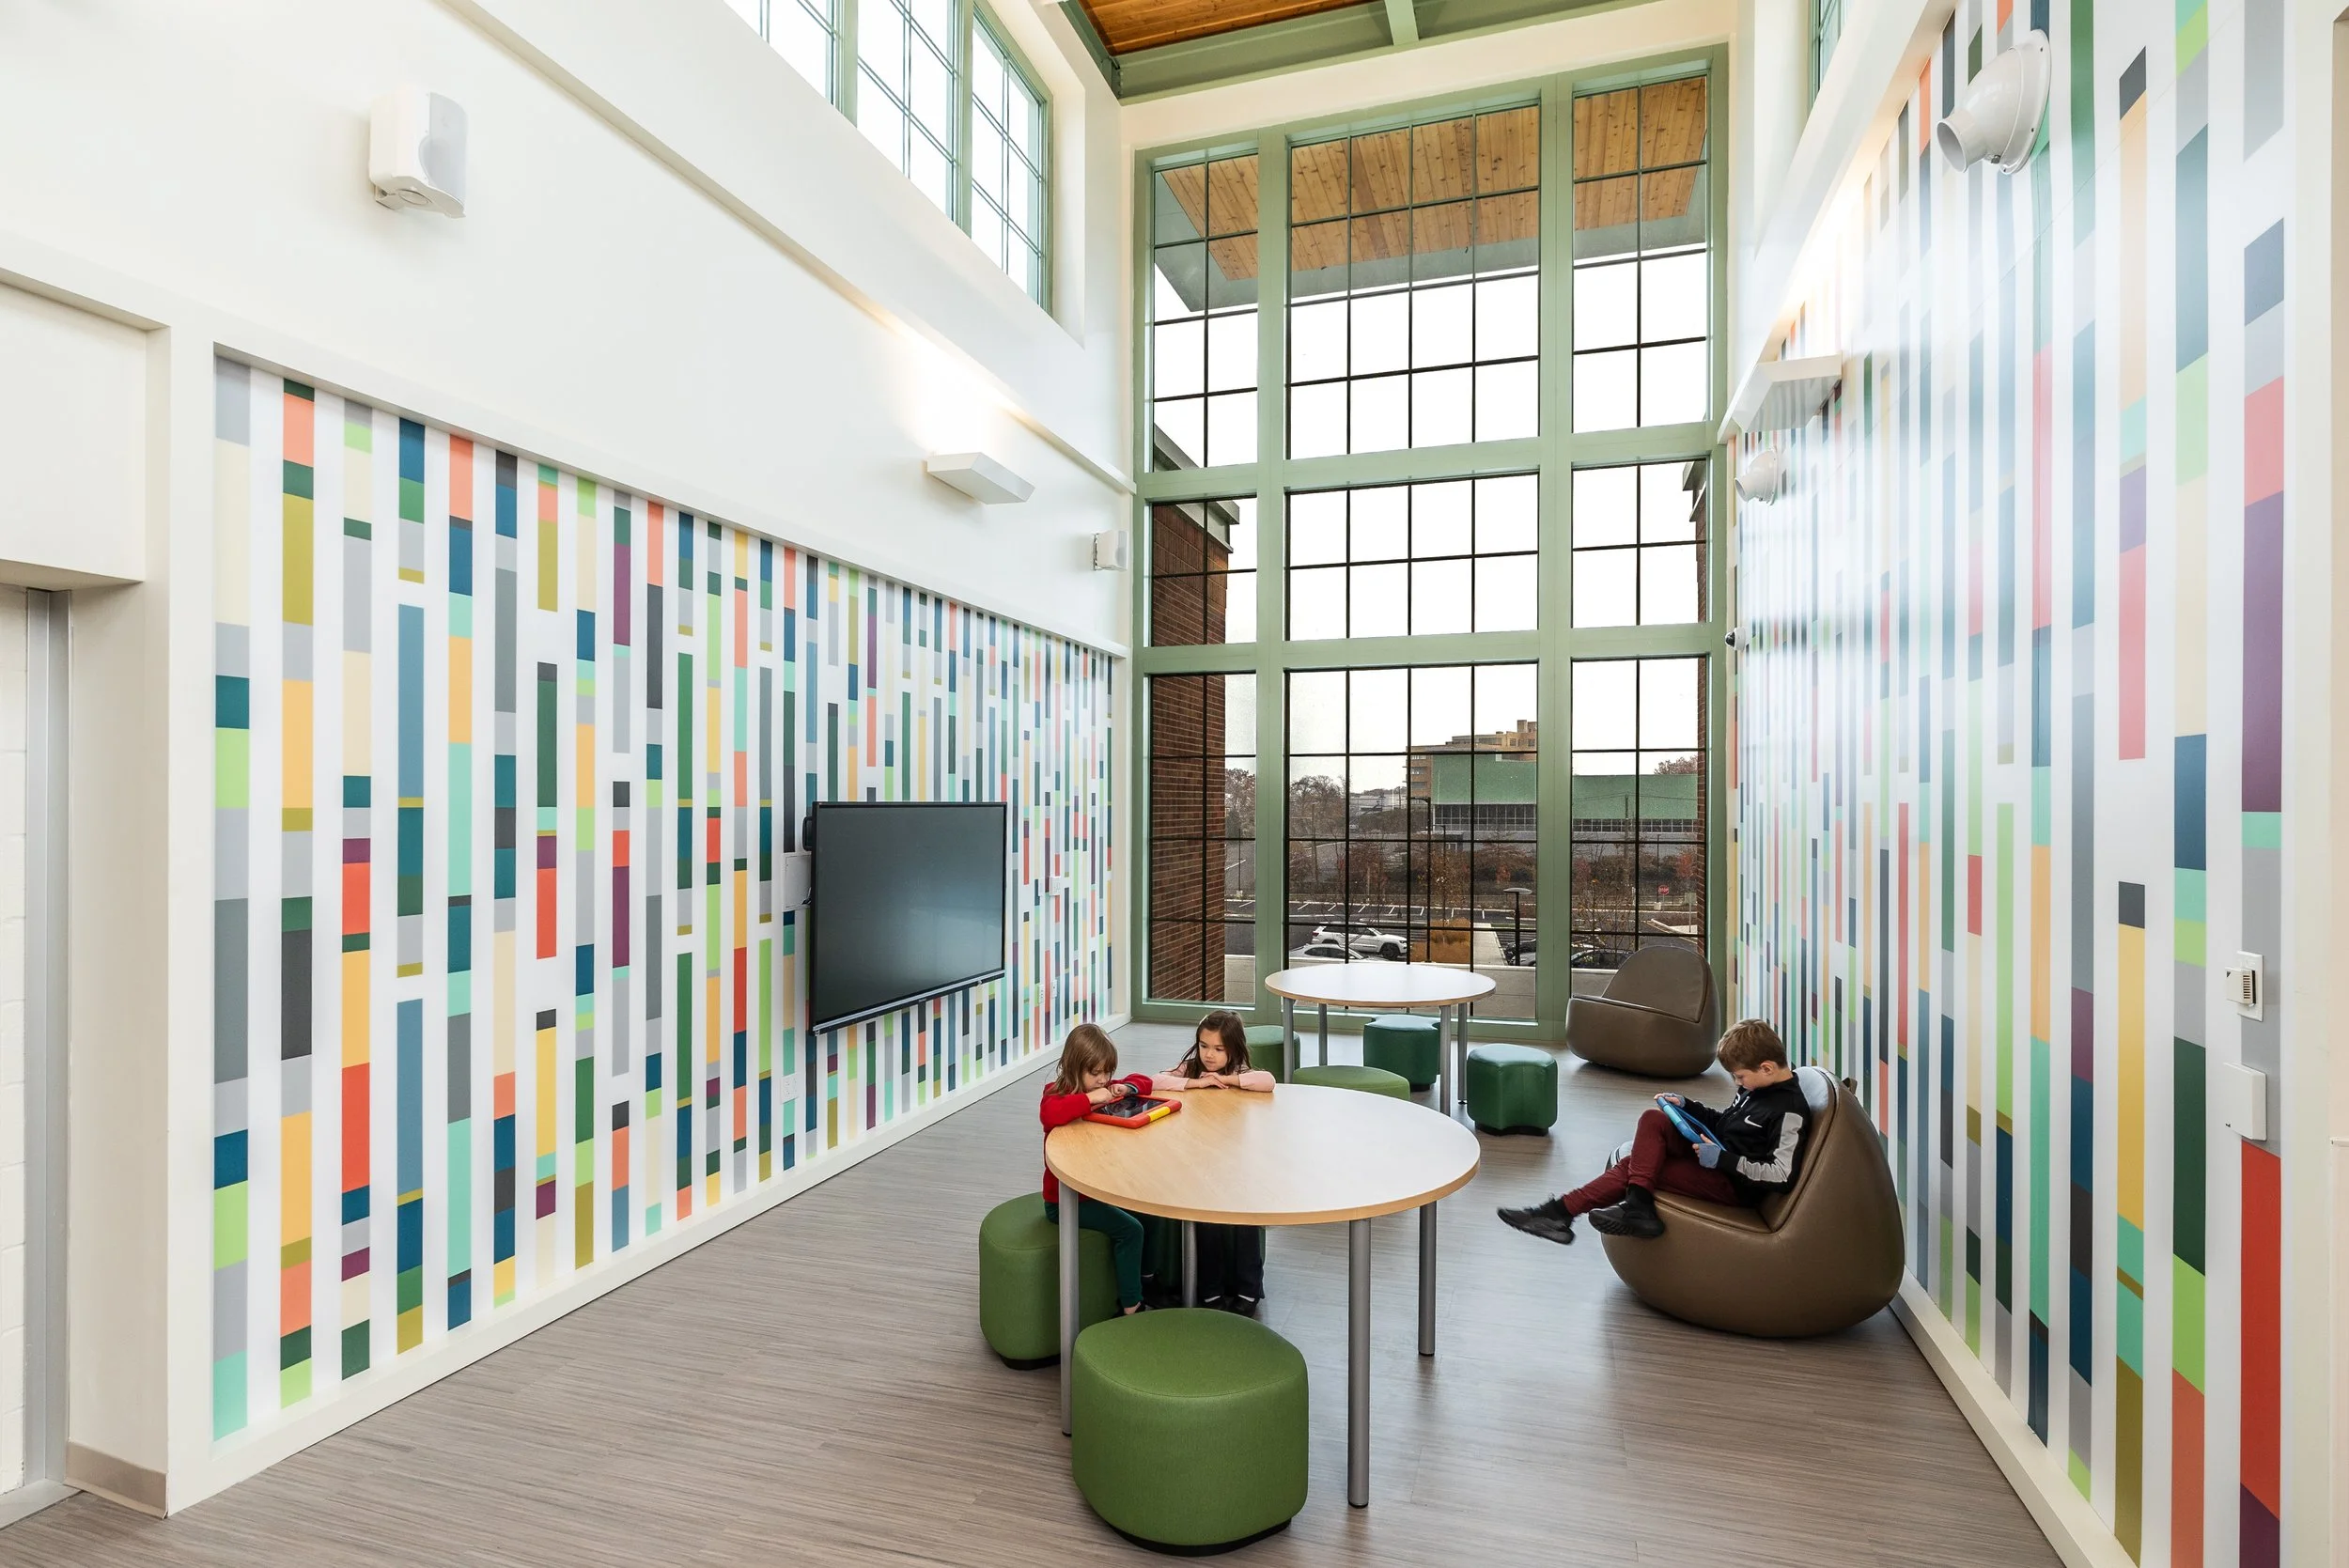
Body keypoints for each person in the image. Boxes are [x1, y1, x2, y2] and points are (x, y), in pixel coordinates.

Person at [1497, 1017, 1811, 1246]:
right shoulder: (1757, 1088)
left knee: (1633, 1167)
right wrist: (1688, 1106)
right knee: (1653, 1118)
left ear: (1767, 1068)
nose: (1737, 1083)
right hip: (1712, 1157)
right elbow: (1726, 1123)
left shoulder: (1789, 1110)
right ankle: (1636, 1205)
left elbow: (1782, 1175)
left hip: (1731, 1184)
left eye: (1740, 1077)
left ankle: (1558, 1212)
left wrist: (1724, 1160)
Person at [1147, 1012, 1273, 1313]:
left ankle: (1249, 1289)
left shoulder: (1239, 1072)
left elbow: (1267, 1081)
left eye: (1218, 1049)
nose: (1209, 1055)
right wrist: (1196, 1084)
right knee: (1206, 1225)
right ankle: (1210, 1291)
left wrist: (1227, 1080)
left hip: (1234, 1164)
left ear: (1233, 1048)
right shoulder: (1191, 1069)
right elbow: (1154, 1080)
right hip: (1199, 1164)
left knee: (1245, 1221)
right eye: (1204, 1046)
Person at [1038, 1022, 1153, 1313]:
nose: (1103, 1080)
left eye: (1107, 1072)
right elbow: (1050, 1112)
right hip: (1067, 1201)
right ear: (1074, 1068)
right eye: (1095, 1073)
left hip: (1099, 1190)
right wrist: (1089, 1099)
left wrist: (1124, 1086)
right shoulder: (1055, 1094)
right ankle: (1131, 1305)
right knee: (1132, 1230)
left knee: (1151, 1209)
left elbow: (1145, 1081)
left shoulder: (1105, 1087)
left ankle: (1146, 1277)